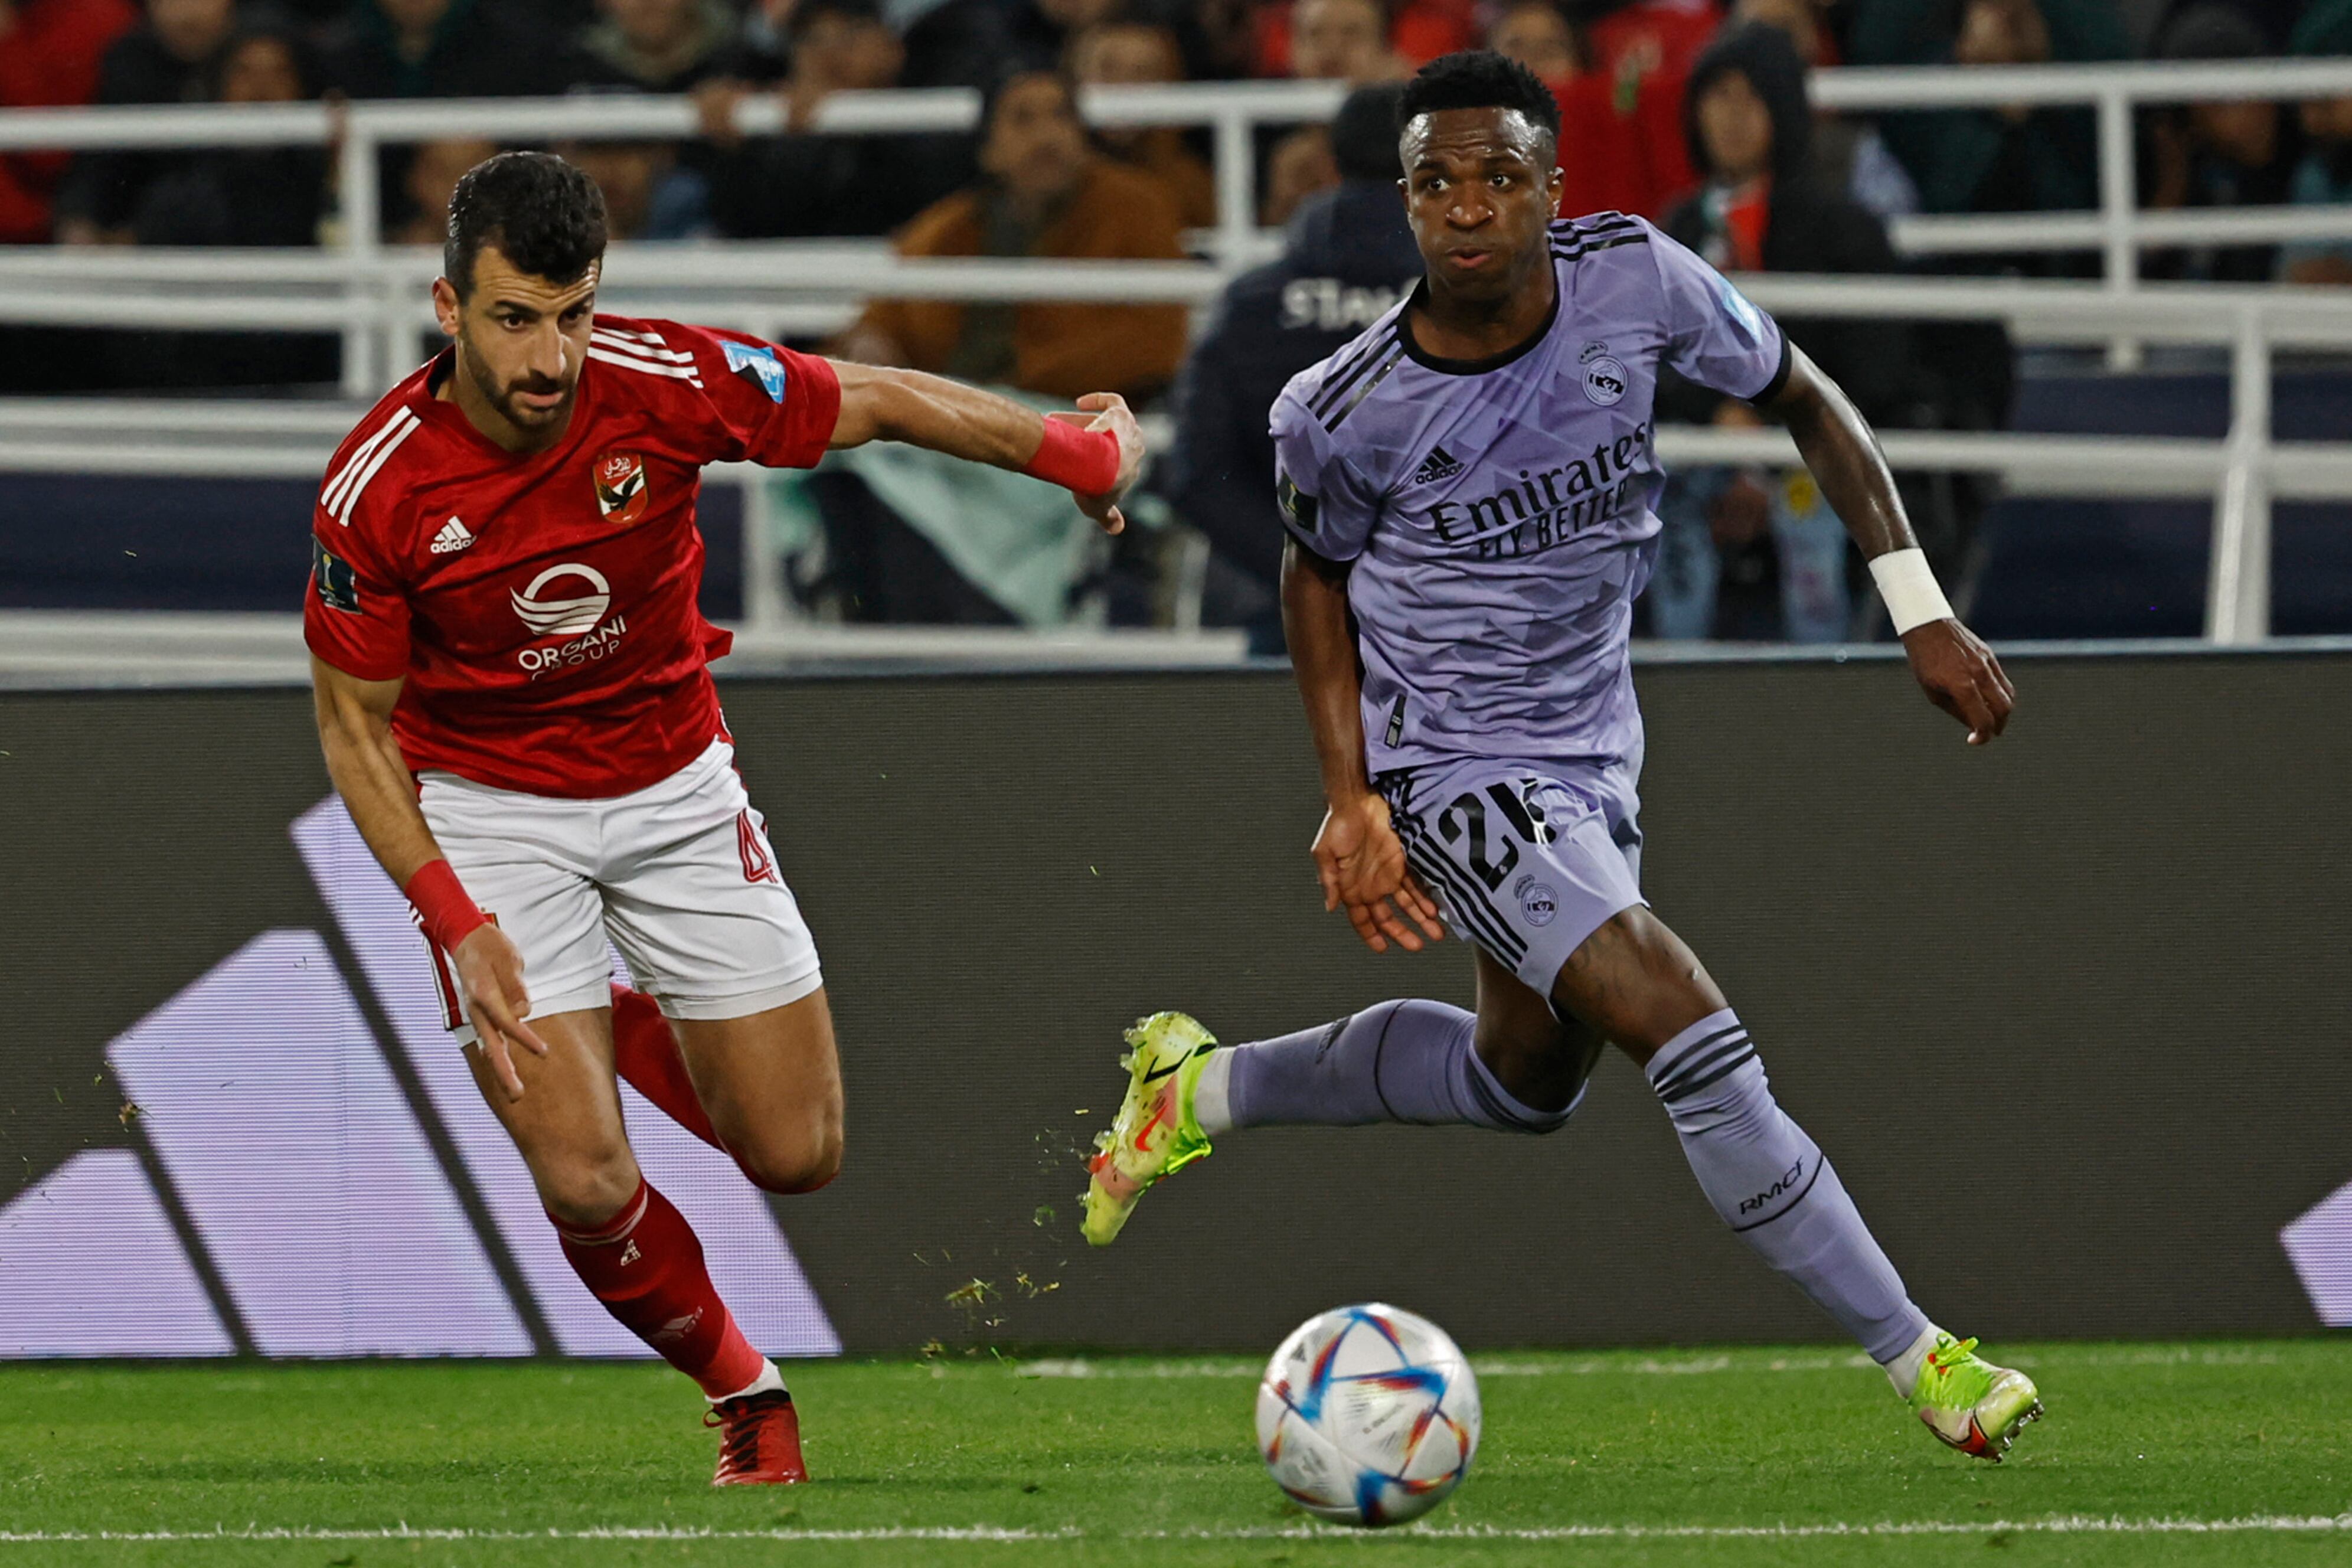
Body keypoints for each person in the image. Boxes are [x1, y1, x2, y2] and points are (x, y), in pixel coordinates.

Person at [1078, 51, 2041, 1464]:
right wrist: (1350, 796)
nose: (1467, 207)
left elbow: (1807, 397)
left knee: (1522, 1081)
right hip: (1450, 763)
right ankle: (1926, 1357)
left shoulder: (1635, 278)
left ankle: (1199, 1087)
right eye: (1435, 182)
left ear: (1552, 187)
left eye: (1499, 176)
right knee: (1683, 1020)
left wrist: (1920, 606)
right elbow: (1310, 578)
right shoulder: (1340, 406)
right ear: (1405, 200)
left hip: (1595, 745)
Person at [304, 151, 1141, 1483]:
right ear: (448, 306)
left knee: (797, 1152)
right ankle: (745, 1391)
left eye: (573, 315)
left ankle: (608, 1022)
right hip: (490, 813)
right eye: (515, 319)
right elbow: (353, 730)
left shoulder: (667, 379)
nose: (550, 358)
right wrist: (455, 919)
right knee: (584, 1178)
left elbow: (876, 398)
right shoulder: (380, 490)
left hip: (676, 787)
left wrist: (1076, 454)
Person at [1652, 19, 1906, 640]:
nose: (1733, 117)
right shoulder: (1676, 227)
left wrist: (1770, 419)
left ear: (1784, 109)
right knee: (1655, 497)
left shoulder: (1842, 227)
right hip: (1701, 448)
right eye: (1719, 96)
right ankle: (1681, 681)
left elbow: (1875, 366)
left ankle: (1821, 684)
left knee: (1812, 507)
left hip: (1805, 444)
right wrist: (1717, 416)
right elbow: (1640, 357)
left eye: (1752, 97)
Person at [1161, 81, 1418, 649]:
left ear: (1331, 161)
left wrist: (1308, 570)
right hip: (1458, 626)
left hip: (1294, 621)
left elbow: (1198, 471)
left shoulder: (1252, 306)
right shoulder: (1488, 305)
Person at [838, 68, 1188, 404]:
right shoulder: (949, 228)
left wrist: (1022, 377)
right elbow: (881, 318)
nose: (1047, 135)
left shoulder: (1138, 207)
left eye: (1062, 115)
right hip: (955, 414)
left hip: (1088, 414)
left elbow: (1156, 336)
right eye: (1023, 119)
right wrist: (870, 340)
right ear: (989, 151)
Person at [1067, 18, 1218, 228]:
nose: (1124, 87)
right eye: (1108, 70)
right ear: (1077, 78)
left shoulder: (1191, 185)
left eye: (1143, 73)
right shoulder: (1054, 181)